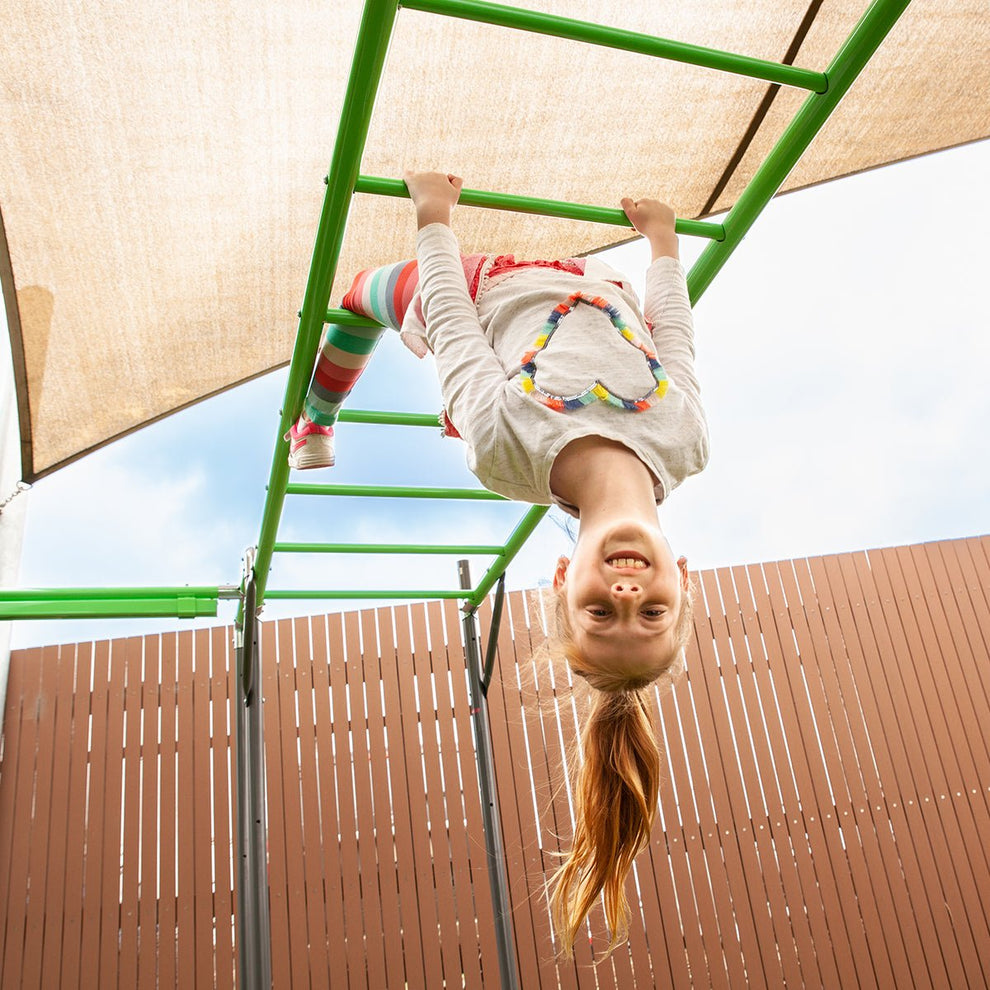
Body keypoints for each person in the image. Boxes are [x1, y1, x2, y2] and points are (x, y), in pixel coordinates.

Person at [294, 169, 709, 956]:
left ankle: (314, 418)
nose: (627, 591)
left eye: (601, 611)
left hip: (479, 287)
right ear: (681, 581)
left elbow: (452, 324)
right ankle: (328, 400)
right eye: (650, 611)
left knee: (358, 301)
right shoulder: (686, 445)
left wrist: (434, 219)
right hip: (593, 289)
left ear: (563, 581)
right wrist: (663, 244)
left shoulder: (508, 454)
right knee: (603, 282)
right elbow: (676, 340)